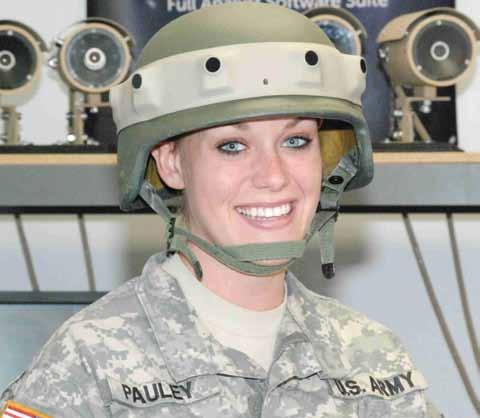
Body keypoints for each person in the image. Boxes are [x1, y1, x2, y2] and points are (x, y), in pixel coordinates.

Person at [1, 3, 442, 418]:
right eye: (232, 145)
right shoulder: (87, 365)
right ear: (171, 163)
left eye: (296, 141)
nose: (273, 176)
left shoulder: (374, 360)